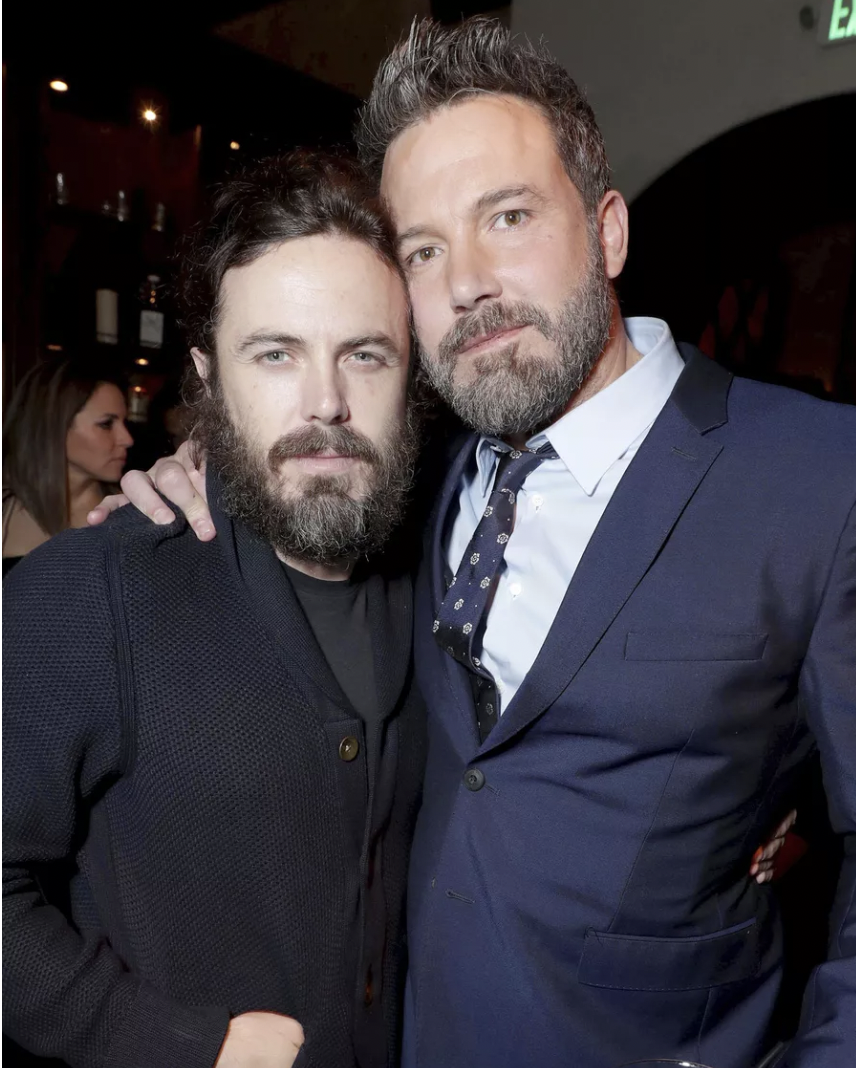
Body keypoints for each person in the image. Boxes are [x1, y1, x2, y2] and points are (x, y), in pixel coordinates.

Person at [88, 19, 850, 1068]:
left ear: (608, 232)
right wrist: (196, 468)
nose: (468, 283)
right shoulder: (412, 473)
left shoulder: (819, 477)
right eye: (422, 250)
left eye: (508, 216)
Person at [3, 152, 426, 1068]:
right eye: (275, 354)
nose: (326, 404)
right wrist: (174, 1043)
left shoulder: (438, 576)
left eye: (365, 354)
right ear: (209, 377)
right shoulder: (92, 592)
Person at [2, 355, 133, 576]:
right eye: (106, 424)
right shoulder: (5, 509)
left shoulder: (129, 510)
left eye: (124, 423)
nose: (127, 439)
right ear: (54, 426)